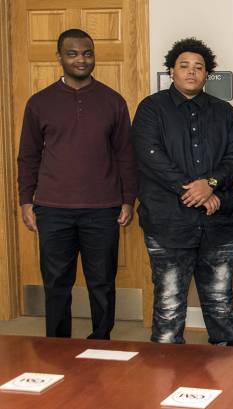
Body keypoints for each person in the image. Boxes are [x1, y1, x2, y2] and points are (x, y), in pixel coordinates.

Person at [17, 28, 137, 340]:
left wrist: (128, 200)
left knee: (102, 282)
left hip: (103, 209)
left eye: (87, 53)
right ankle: (58, 346)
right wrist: (26, 201)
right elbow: (27, 156)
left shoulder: (113, 102)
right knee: (56, 283)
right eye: (72, 53)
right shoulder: (39, 103)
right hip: (53, 209)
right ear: (59, 57)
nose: (81, 59)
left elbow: (126, 155)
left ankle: (101, 340)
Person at [132, 38, 233, 346]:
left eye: (199, 67)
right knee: (168, 311)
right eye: (184, 66)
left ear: (207, 74)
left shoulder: (224, 112)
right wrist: (195, 190)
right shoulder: (151, 109)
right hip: (167, 225)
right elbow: (150, 156)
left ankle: (230, 378)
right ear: (172, 71)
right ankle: (167, 377)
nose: (192, 73)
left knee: (221, 307)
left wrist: (209, 185)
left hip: (219, 226)